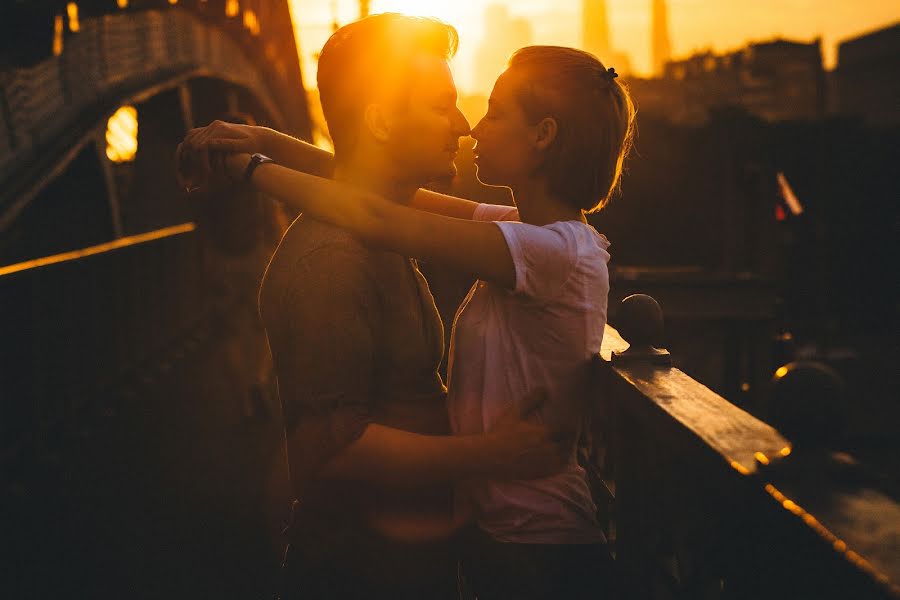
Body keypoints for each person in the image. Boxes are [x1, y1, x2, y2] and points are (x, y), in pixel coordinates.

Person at [182, 40, 635, 598]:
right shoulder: (528, 231)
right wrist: (265, 142)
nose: (471, 126)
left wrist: (252, 169)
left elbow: (377, 215)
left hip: (538, 551)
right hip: (504, 544)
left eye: (494, 112)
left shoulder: (551, 251)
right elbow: (380, 194)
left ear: (543, 136)